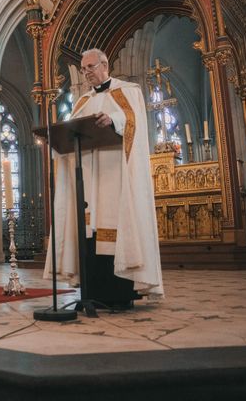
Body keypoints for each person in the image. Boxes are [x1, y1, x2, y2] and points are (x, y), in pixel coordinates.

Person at [43, 48, 164, 306]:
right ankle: (92, 293)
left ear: (105, 65)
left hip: (115, 175)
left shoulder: (128, 91)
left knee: (113, 228)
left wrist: (114, 119)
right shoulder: (82, 102)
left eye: (91, 67)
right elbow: (71, 131)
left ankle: (119, 295)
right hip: (88, 176)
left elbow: (135, 122)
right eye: (84, 69)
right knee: (90, 233)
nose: (87, 73)